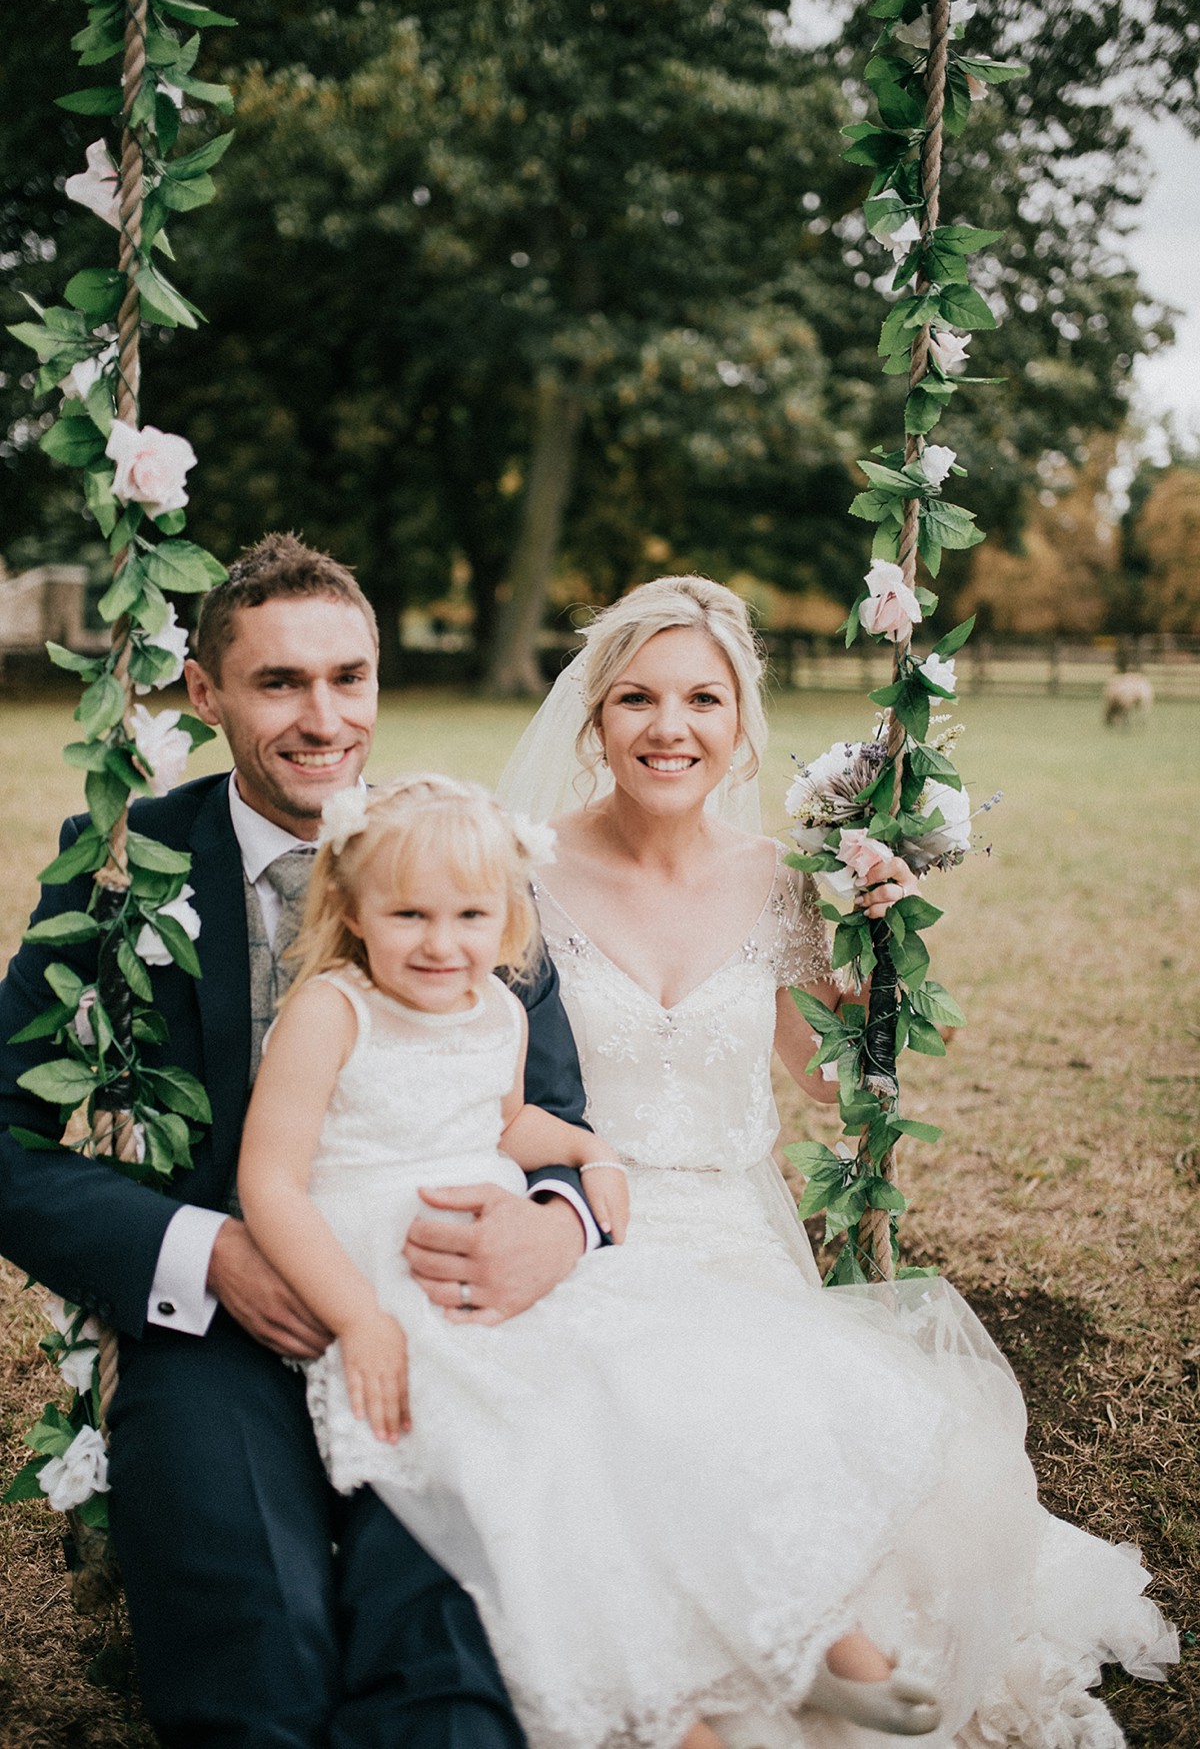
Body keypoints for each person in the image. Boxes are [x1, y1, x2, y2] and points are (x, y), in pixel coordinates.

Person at [490, 575, 1177, 1749]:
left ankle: (812, 1657)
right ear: (595, 716)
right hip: (581, 1225)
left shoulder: (780, 883)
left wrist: (883, 955)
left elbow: (833, 1077)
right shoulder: (524, 869)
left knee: (783, 1437)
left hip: (734, 1235)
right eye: (638, 698)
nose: (671, 727)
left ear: (744, 723)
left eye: (704, 699)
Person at [0, 534, 601, 1748]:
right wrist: (199, 1251)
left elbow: (549, 1117)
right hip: (221, 1318)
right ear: (205, 693)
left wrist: (559, 1223)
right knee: (257, 1642)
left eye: (349, 677)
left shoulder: (452, 858)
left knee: (448, 1623)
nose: (324, 716)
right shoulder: (124, 867)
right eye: (279, 683)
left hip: (443, 1313)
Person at [238, 771, 948, 1747]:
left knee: (664, 1389)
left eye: (470, 915)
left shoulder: (493, 1009)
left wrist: (588, 1153)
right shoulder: (333, 1010)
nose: (441, 943)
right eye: (408, 914)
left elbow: (505, 1118)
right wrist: (359, 1318)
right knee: (539, 1463)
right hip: (394, 1283)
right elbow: (269, 1181)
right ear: (352, 909)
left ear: (507, 918)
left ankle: (815, 1627)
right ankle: (663, 1706)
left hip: (505, 1266)